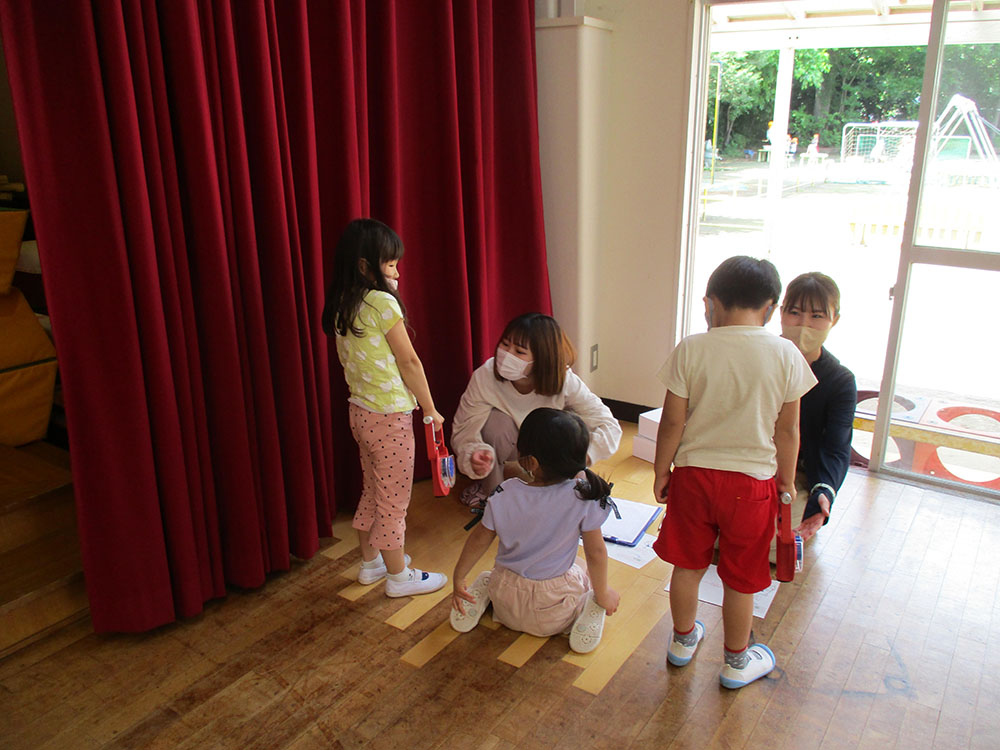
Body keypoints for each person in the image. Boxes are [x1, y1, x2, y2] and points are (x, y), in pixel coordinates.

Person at [651, 256, 816, 689]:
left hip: (694, 477)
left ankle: (683, 641)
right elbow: (789, 429)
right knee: (741, 577)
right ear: (769, 307)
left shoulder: (692, 347)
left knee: (688, 566)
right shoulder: (786, 353)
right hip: (753, 483)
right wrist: (785, 480)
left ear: (712, 304)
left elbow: (671, 422)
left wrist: (660, 470)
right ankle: (736, 663)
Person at [321, 218, 448, 597]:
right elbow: (409, 362)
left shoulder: (344, 304)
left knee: (373, 491)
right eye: (390, 264)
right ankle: (398, 577)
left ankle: (371, 563)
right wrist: (431, 409)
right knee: (394, 500)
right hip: (390, 419)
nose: (397, 271)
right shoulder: (380, 302)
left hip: (360, 414)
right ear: (366, 266)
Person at [449, 408, 620, 653]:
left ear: (531, 461)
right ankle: (585, 606)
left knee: (501, 573)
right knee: (581, 566)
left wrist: (458, 577)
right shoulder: (582, 497)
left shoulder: (505, 493)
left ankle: (490, 592)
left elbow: (478, 540)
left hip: (505, 602)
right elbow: (596, 553)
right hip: (554, 611)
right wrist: (603, 594)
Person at [452, 313, 622, 507]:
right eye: (505, 344)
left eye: (519, 351)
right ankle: (492, 494)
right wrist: (474, 453)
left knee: (567, 424)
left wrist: (580, 458)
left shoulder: (564, 380)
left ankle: (558, 490)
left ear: (542, 358)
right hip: (509, 443)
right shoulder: (485, 376)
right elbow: (464, 428)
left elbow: (609, 425)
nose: (507, 355)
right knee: (495, 424)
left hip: (547, 447)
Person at [779, 272, 857, 542]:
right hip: (747, 466)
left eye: (816, 316)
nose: (803, 325)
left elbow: (836, 447)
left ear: (834, 320)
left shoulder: (840, 380)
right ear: (780, 313)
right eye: (795, 313)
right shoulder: (759, 358)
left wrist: (823, 492)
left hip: (798, 475)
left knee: (778, 544)